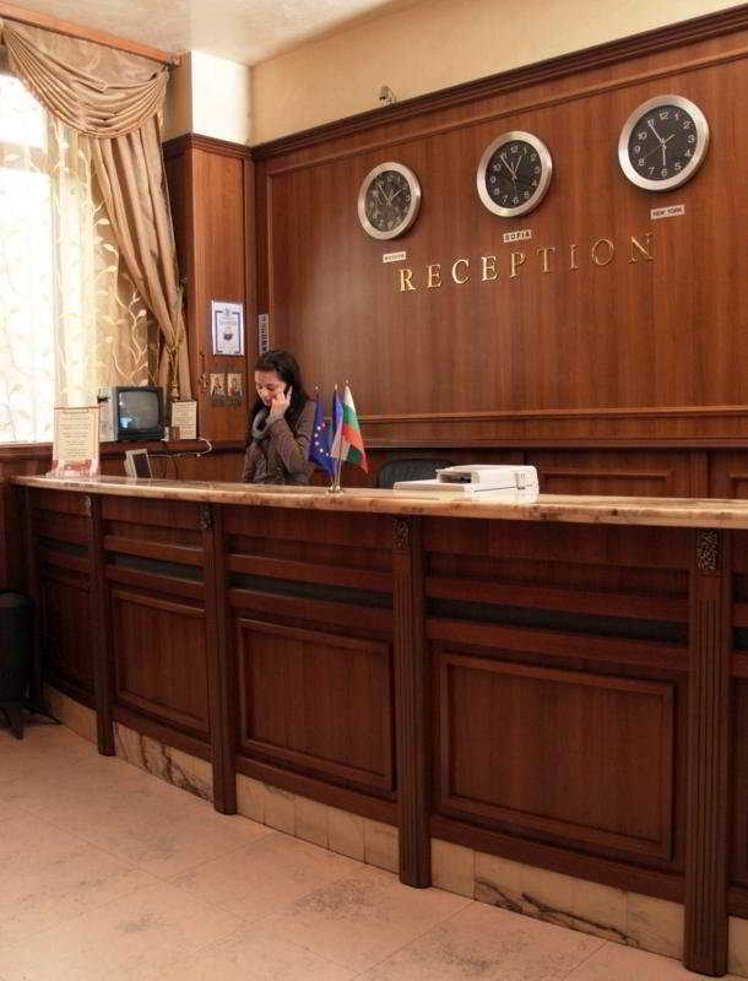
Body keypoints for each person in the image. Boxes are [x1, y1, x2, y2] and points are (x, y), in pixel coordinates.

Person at [241, 349, 316, 485]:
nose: (264, 394)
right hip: (257, 493)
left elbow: (297, 465)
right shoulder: (260, 412)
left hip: (290, 494)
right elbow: (248, 473)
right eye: (259, 386)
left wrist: (277, 420)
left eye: (271, 388)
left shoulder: (308, 410)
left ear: (290, 386)